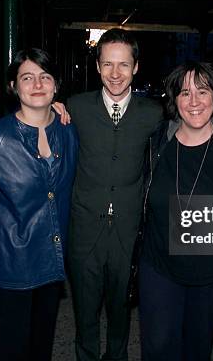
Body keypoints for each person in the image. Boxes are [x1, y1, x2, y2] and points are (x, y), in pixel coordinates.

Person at [138, 61, 213, 360]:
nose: (194, 101)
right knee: (158, 348)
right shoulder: (156, 142)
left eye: (202, 91)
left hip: (210, 275)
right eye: (185, 93)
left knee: (197, 352)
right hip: (158, 266)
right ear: (174, 100)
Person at [67, 28, 163, 361]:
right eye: (108, 64)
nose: (115, 73)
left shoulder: (153, 114)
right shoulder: (74, 109)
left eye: (123, 65)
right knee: (85, 312)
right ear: (97, 66)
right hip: (84, 229)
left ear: (136, 66)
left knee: (121, 311)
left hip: (128, 229)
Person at [0, 48, 78, 361]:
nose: (37, 84)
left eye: (45, 77)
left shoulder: (67, 130)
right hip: (13, 266)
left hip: (51, 264)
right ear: (14, 86)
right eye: (27, 77)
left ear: (55, 85)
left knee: (41, 350)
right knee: (10, 352)